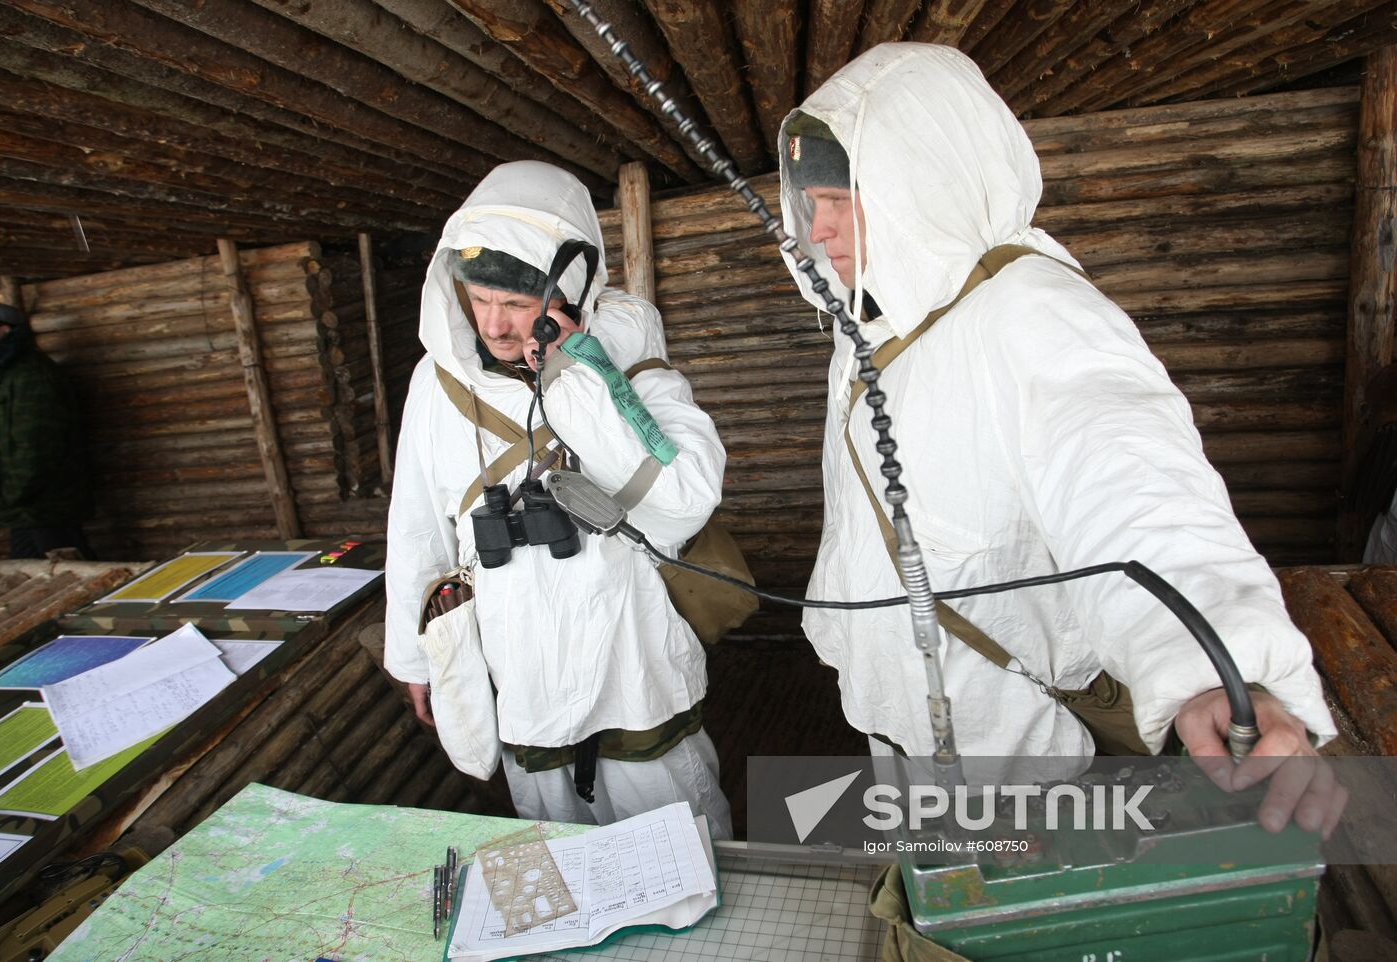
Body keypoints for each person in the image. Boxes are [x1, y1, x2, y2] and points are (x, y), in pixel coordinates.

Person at [776, 44, 1343, 835]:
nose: (818, 226)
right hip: (903, 732)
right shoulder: (873, 329)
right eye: (812, 202)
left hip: (1017, 760)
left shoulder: (1030, 310)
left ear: (925, 182)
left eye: (844, 196)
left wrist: (1215, 672)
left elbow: (1131, 486)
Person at [384, 161, 733, 838]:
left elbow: (686, 500)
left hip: (631, 657)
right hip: (523, 668)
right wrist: (413, 655)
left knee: (682, 845)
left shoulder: (626, 352)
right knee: (560, 852)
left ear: (567, 289)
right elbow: (417, 523)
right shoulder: (436, 382)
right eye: (478, 298)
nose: (492, 323)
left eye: (514, 305)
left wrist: (574, 378)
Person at [0, 302, 93, 560]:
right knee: (36, 575)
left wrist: (11, 494)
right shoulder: (8, 375)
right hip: (24, 506)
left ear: (4, 331)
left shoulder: (31, 376)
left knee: (70, 572)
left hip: (45, 502)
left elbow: (36, 447)